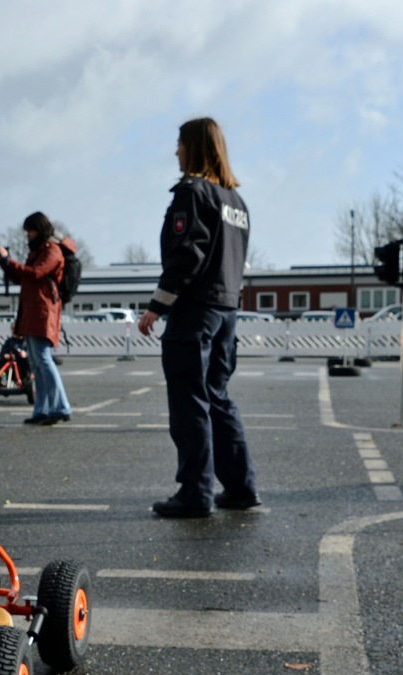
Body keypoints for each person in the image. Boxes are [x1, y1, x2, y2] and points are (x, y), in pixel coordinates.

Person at [137, 117, 261, 519]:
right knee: (218, 399)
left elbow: (187, 254)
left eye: (179, 143)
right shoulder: (236, 203)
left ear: (194, 146)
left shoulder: (193, 194)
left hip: (195, 313)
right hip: (227, 312)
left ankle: (195, 492)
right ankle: (241, 487)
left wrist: (158, 305)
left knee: (190, 404)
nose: (176, 151)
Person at [0, 212, 73, 425]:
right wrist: (5, 263)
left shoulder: (52, 251)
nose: (28, 235)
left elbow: (35, 273)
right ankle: (43, 409)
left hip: (43, 313)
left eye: (30, 231)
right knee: (37, 364)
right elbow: (24, 275)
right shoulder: (40, 251)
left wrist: (9, 261)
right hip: (33, 313)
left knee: (44, 361)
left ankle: (60, 406)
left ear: (39, 229)